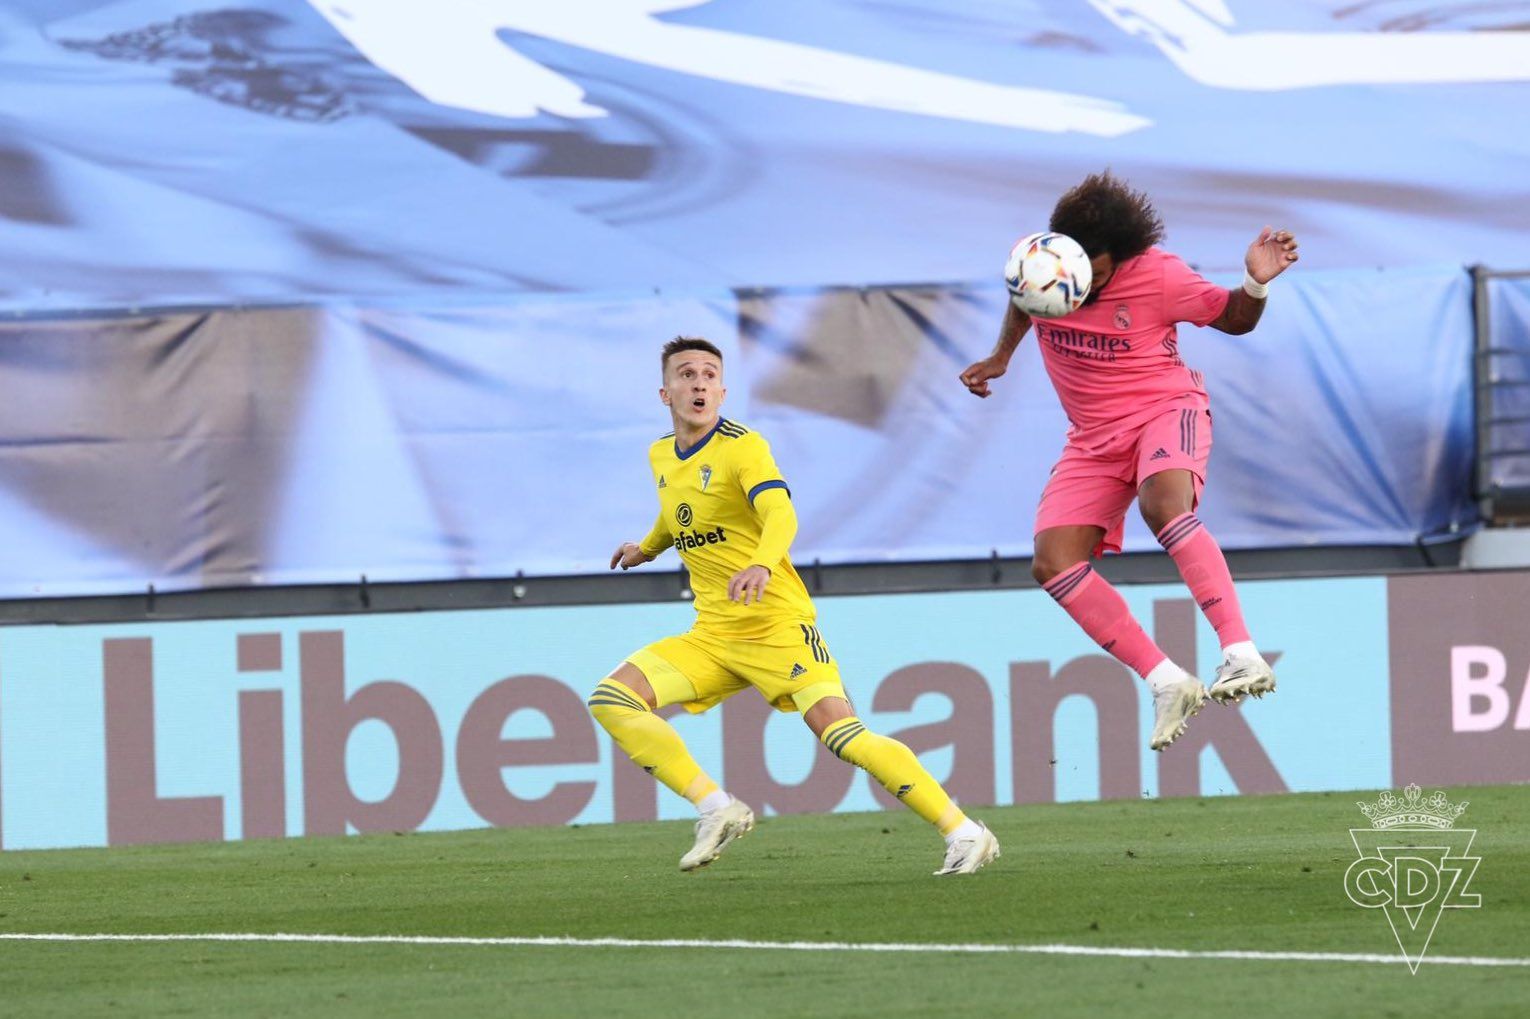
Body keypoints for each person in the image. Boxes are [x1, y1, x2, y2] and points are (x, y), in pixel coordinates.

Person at [591, 336, 999, 875]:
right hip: (713, 636)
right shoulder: (661, 454)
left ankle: (965, 833)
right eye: (687, 374)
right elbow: (680, 513)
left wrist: (761, 563)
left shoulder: (743, 447)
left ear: (722, 389)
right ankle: (717, 808)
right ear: (664, 392)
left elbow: (781, 515)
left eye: (710, 374)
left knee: (844, 737)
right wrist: (647, 547)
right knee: (612, 698)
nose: (699, 383)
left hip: (777, 626)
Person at [960, 171, 1298, 751]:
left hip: (1165, 410)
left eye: (1093, 273)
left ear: (1119, 254)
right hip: (1092, 438)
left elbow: (1235, 319)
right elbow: (1024, 300)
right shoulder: (1042, 261)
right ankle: (1166, 680)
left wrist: (1255, 283)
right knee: (1051, 561)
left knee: (1162, 506)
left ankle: (1241, 653)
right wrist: (1000, 356)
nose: (1075, 287)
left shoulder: (1161, 275)